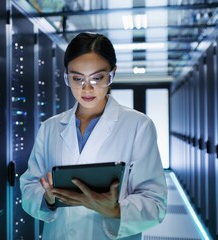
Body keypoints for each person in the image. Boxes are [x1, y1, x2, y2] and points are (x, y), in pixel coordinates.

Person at [20, 32, 167, 239]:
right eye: (77, 78)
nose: (86, 88)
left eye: (97, 77)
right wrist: (48, 199)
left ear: (112, 74)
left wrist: (115, 210)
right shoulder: (50, 127)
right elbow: (29, 187)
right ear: (66, 76)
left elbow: (155, 202)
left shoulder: (139, 126)